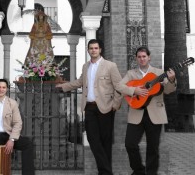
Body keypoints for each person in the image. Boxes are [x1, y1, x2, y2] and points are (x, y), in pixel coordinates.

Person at [56, 39, 122, 175]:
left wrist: (115, 104)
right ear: (88, 50)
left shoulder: (110, 66)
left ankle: (103, 173)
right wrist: (63, 87)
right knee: (93, 139)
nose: (93, 50)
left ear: (100, 50)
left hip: (106, 107)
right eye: (91, 48)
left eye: (96, 48)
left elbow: (119, 86)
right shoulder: (86, 66)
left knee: (105, 142)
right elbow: (80, 82)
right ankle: (107, 172)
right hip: (90, 108)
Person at [117, 47, 176, 175]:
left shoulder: (159, 73)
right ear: (136, 59)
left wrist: (171, 80)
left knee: (153, 148)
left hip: (155, 114)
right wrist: (134, 91)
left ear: (149, 57)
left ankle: (151, 173)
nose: (142, 59)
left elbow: (169, 90)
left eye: (144, 56)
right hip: (136, 113)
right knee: (130, 144)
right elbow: (119, 86)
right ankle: (138, 170)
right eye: (139, 57)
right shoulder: (131, 73)